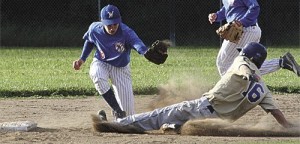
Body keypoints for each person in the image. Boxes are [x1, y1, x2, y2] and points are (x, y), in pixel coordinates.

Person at [94, 42, 295, 133]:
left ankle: (118, 124)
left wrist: (249, 74)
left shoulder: (243, 63)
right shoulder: (263, 90)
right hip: (216, 123)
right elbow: (277, 114)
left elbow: (243, 68)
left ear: (249, 57)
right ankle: (176, 127)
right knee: (176, 119)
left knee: (157, 115)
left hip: (204, 106)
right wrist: (289, 127)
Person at [73, 4, 153, 119]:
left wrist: (145, 52)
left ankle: (106, 119)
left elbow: (137, 43)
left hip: (121, 68)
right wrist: (82, 59)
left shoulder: (126, 32)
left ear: (119, 21)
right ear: (102, 22)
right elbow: (90, 40)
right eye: (109, 25)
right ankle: (116, 109)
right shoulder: (95, 29)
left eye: (115, 24)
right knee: (97, 75)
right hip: (102, 62)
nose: (112, 28)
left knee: (128, 117)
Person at [208, 0, 300, 77]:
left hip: (245, 31)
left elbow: (254, 7)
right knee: (246, 64)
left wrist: (242, 22)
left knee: (224, 64)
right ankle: (282, 62)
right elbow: (228, 9)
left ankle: (231, 89)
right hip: (245, 31)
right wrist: (217, 16)